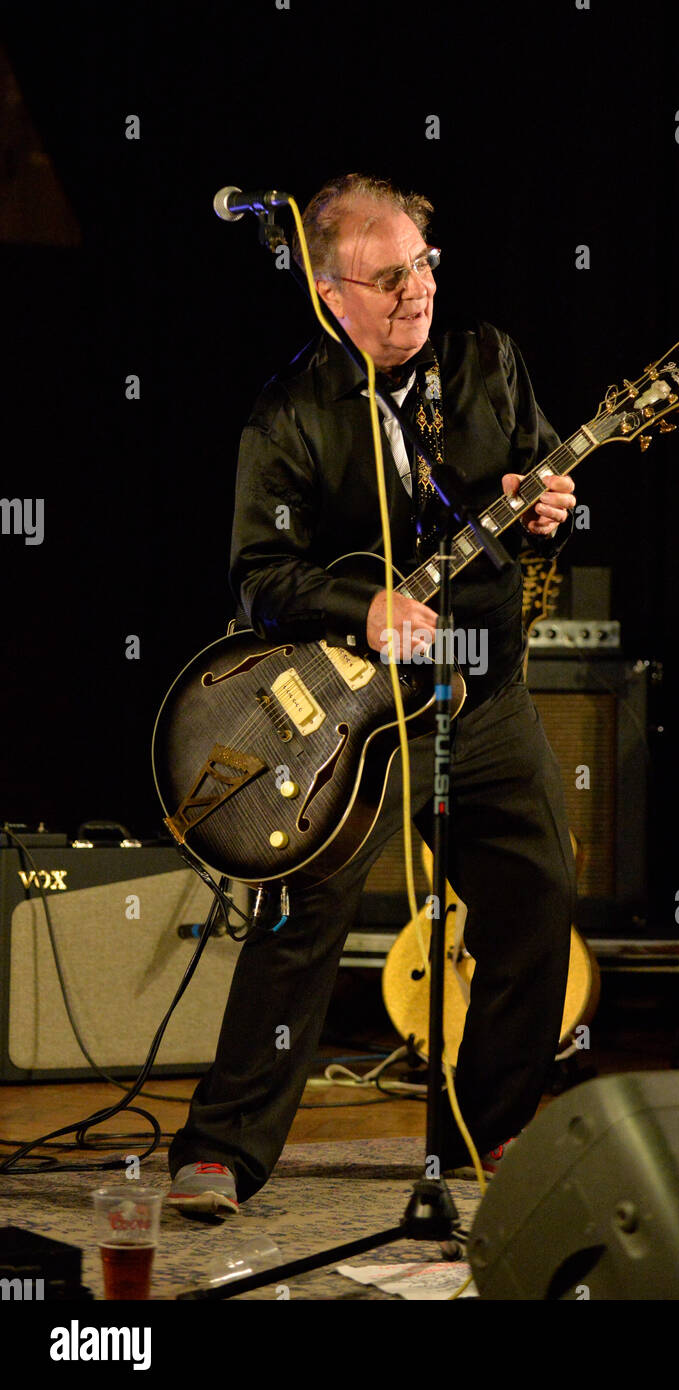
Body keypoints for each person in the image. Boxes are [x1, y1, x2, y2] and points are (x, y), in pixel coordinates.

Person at [167, 173, 578, 1217]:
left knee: (536, 904)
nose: (416, 289)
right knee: (300, 923)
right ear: (328, 294)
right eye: (388, 275)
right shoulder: (290, 412)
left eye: (424, 264)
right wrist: (367, 607)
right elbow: (259, 575)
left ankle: (481, 1136)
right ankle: (221, 1149)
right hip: (349, 719)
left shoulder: (487, 360)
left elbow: (538, 478)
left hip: (479, 694)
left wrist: (550, 514)